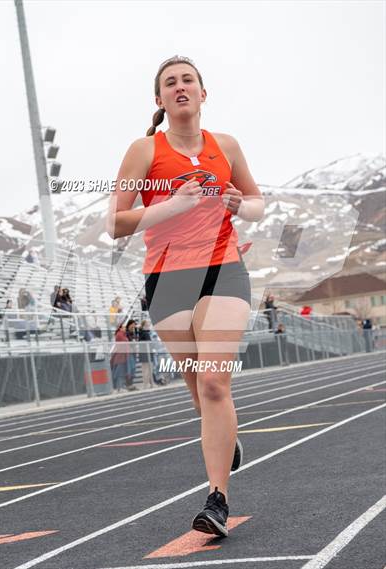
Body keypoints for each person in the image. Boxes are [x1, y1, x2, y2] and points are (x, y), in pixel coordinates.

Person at [106, 55, 264, 537]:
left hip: (223, 269)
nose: (180, 87)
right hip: (168, 278)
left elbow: (256, 203)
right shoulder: (144, 151)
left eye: (188, 80)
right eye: (170, 82)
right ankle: (225, 436)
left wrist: (241, 205)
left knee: (215, 383)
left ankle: (217, 500)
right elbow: (116, 224)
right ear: (159, 99)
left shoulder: (226, 145)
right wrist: (172, 206)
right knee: (200, 392)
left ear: (202, 93)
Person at [110, 322, 130, 393]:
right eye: (124, 327)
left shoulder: (122, 334)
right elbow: (125, 342)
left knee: (121, 372)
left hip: (121, 356)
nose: (125, 328)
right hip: (120, 356)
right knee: (119, 373)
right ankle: (119, 387)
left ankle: (120, 387)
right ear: (120, 328)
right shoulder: (119, 334)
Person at [139, 319, 154, 389]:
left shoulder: (141, 333)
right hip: (147, 353)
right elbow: (150, 344)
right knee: (148, 369)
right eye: (148, 325)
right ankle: (147, 384)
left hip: (143, 353)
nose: (149, 326)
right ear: (145, 326)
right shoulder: (145, 333)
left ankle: (147, 384)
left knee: (145, 369)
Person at [125, 319, 139, 391]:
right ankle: (128, 384)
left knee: (133, 368)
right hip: (129, 352)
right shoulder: (126, 332)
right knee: (130, 368)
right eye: (133, 324)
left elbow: (135, 340)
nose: (134, 326)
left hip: (133, 352)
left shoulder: (133, 332)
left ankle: (131, 383)